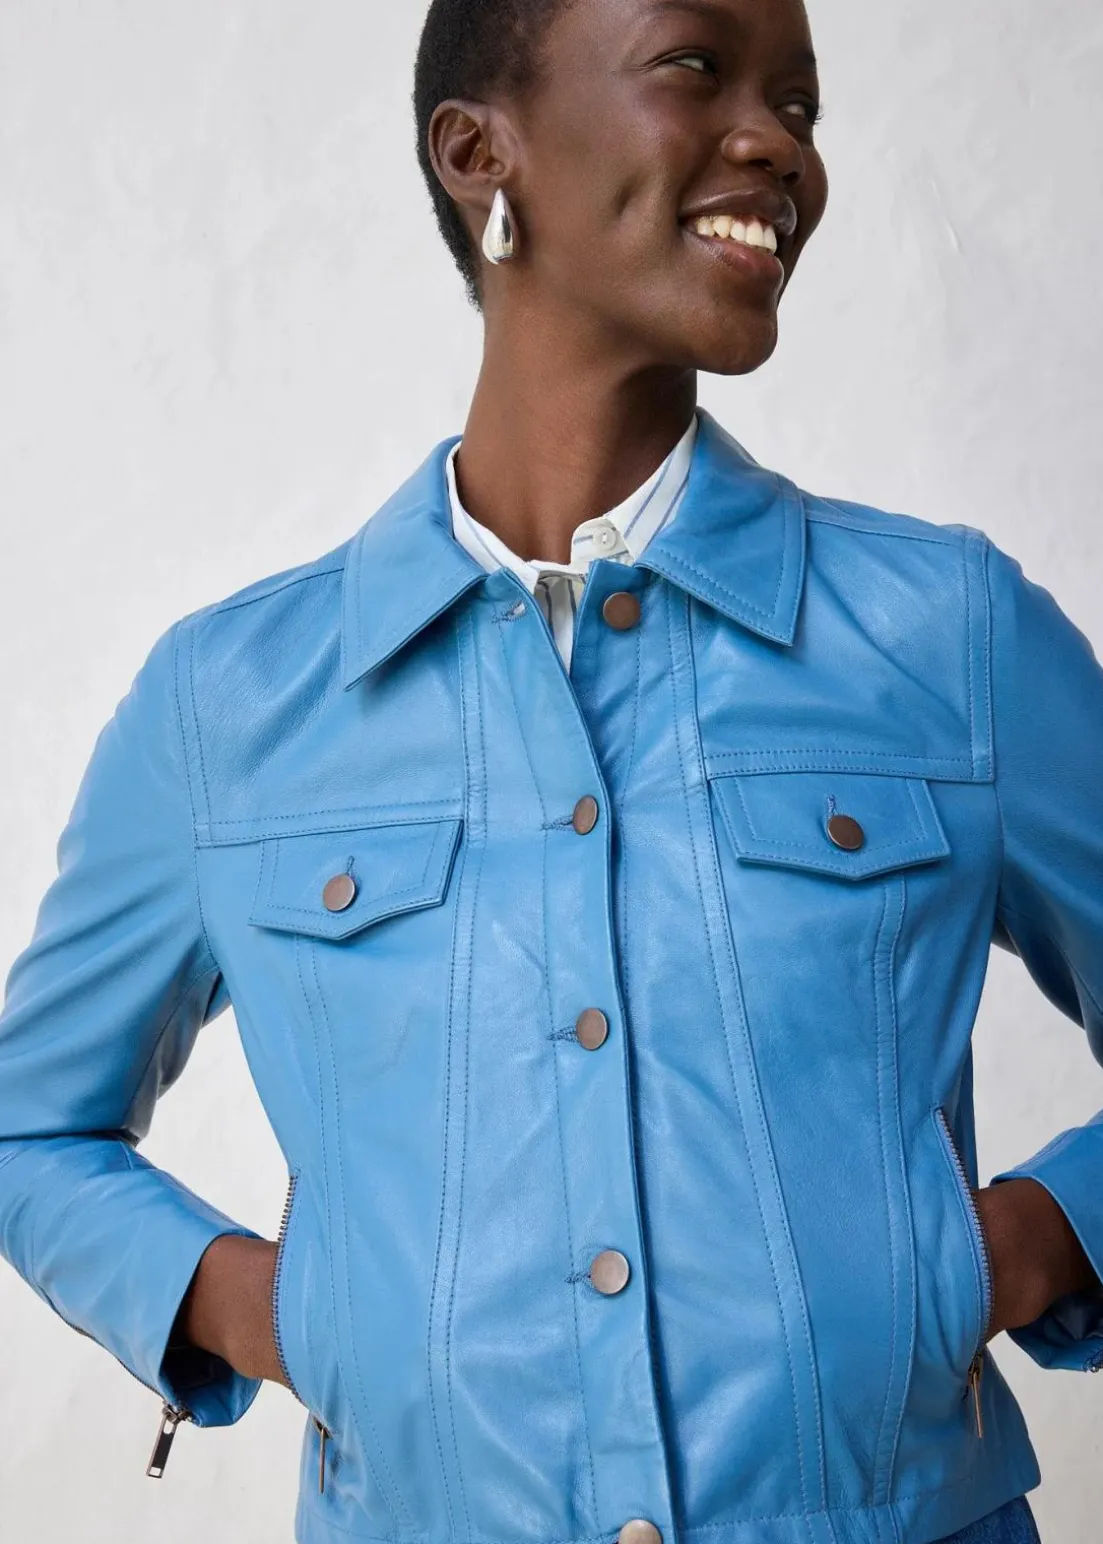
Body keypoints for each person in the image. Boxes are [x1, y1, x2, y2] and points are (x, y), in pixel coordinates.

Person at [0, 0, 1100, 1540]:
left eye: (799, 103)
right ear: (478, 153)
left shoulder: (950, 637)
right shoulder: (227, 702)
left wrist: (1030, 1243)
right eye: (696, 67)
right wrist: (277, 1310)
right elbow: (30, 1128)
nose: (776, 143)